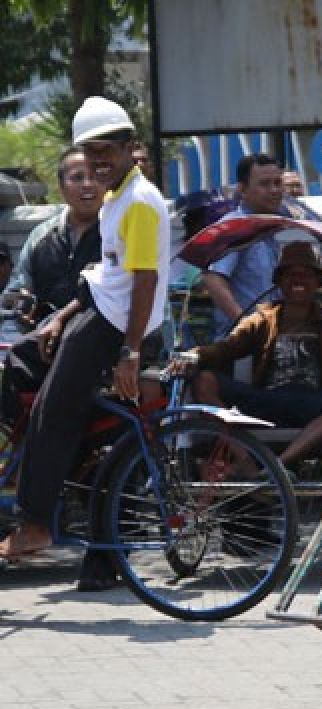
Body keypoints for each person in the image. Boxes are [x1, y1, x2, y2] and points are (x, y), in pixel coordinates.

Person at [0, 96, 171, 579]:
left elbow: (144, 282)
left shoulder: (136, 202)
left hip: (111, 327)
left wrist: (130, 351)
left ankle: (34, 523)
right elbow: (112, 276)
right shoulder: (117, 198)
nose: (96, 163)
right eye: (87, 153)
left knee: (50, 415)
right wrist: (60, 317)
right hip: (97, 314)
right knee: (25, 368)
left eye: (105, 152)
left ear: (128, 149)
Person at [170, 242, 322, 469]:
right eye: (290, 274)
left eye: (306, 274)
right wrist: (195, 356)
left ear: (318, 283)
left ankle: (275, 468)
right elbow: (226, 348)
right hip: (268, 400)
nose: (298, 280)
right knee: (204, 380)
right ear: (279, 282)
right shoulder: (263, 318)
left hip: (313, 404)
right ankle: (246, 461)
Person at [5, 147, 103, 320]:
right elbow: (19, 287)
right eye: (78, 177)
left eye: (96, 176)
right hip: (46, 341)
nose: (88, 184)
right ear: (61, 187)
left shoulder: (118, 234)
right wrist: (22, 302)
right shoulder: (41, 236)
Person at [203, 153, 285, 338]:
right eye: (264, 184)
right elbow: (213, 279)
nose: (274, 190)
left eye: (278, 183)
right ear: (243, 189)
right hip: (240, 343)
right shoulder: (233, 228)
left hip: (269, 336)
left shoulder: (268, 231)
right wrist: (245, 324)